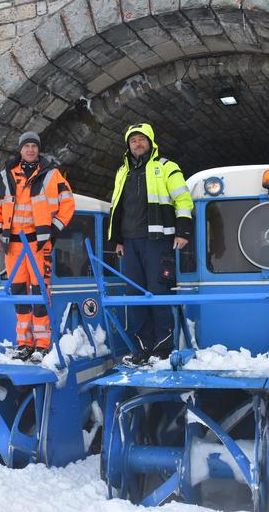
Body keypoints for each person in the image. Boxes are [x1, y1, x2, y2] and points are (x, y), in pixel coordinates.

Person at [108, 123, 194, 363]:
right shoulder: (121, 172)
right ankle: (142, 348)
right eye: (133, 140)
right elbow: (117, 207)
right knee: (134, 295)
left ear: (151, 142)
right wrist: (117, 240)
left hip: (157, 241)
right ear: (128, 145)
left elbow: (183, 200)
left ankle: (163, 348)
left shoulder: (167, 167)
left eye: (141, 139)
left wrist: (183, 231)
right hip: (130, 243)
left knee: (157, 293)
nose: (137, 144)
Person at [0, 131, 75, 362]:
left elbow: (68, 203)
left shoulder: (52, 175)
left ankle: (42, 345)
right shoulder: (6, 176)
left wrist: (54, 229)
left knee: (40, 293)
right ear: (20, 150)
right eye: (26, 146)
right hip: (13, 247)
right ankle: (24, 344)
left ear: (38, 149)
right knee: (19, 294)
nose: (30, 150)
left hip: (38, 244)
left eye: (33, 146)